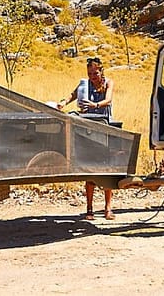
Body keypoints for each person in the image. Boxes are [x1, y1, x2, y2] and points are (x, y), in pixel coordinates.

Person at [56, 56, 115, 219]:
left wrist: (95, 105)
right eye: (89, 74)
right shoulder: (85, 85)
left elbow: (108, 99)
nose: (92, 77)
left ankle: (108, 208)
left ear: (101, 71)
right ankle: (89, 208)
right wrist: (63, 102)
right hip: (88, 130)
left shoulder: (108, 83)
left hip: (104, 127)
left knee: (107, 169)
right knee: (89, 169)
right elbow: (73, 95)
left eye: (95, 73)